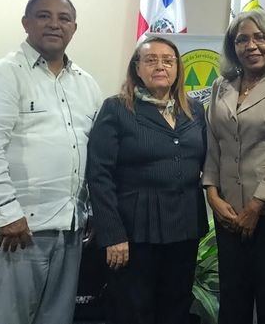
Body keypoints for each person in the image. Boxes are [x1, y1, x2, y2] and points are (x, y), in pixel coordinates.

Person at [0, 0, 102, 324]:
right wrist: (7, 213)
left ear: (74, 28)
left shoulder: (86, 84)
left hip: (69, 231)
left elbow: (93, 154)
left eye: (64, 18)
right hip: (17, 233)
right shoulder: (3, 74)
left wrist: (93, 210)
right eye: (44, 16)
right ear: (26, 23)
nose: (55, 24)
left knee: (57, 320)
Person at [86, 36, 208, 324]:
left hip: (184, 227)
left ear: (178, 68)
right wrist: (113, 234)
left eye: (168, 60)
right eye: (151, 60)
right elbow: (99, 174)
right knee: (133, 309)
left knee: (176, 306)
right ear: (136, 69)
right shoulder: (117, 109)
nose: (160, 66)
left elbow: (205, 163)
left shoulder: (194, 110)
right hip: (134, 230)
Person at [202, 10, 265, 324]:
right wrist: (212, 194)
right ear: (233, 47)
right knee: (232, 296)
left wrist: (256, 206)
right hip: (228, 210)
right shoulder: (221, 86)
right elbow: (213, 143)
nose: (251, 45)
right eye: (242, 39)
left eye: (260, 37)